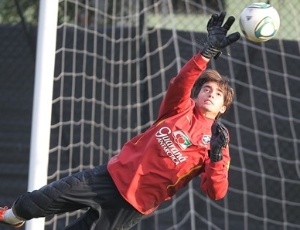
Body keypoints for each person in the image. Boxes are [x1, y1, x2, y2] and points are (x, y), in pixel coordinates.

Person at [0, 12, 240, 229]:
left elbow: (215, 192)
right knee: (40, 200)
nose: (211, 95)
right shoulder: (180, 108)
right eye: (207, 89)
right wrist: (205, 54)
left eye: (218, 94)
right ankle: (12, 217)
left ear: (223, 107)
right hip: (108, 177)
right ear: (197, 94)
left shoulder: (218, 143)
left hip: (131, 207)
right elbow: (180, 83)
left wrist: (217, 158)